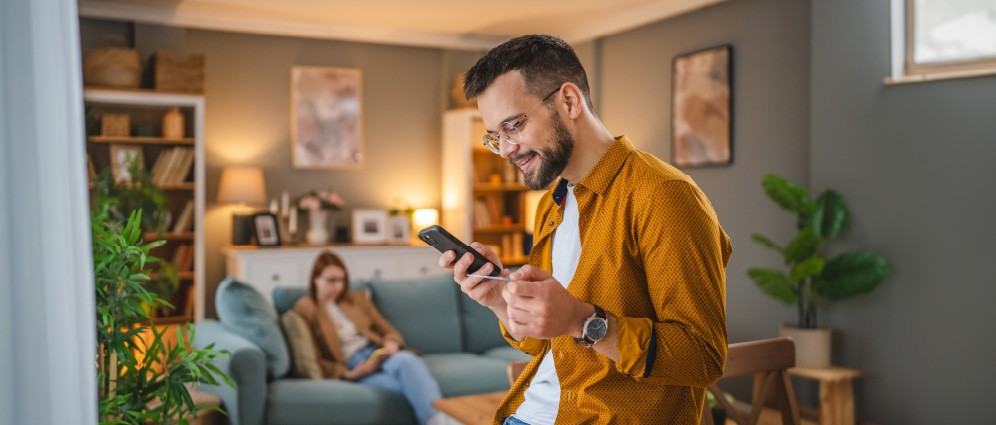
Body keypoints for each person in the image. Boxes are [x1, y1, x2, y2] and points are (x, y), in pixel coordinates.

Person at [437, 34, 733, 424]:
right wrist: (498, 299)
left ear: (570, 101)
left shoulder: (663, 196)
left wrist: (583, 322)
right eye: (496, 137)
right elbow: (544, 340)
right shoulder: (551, 204)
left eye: (514, 126)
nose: (507, 149)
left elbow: (703, 358)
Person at [293, 251, 444, 425]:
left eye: (342, 280)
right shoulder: (306, 309)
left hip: (378, 352)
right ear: (316, 279)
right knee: (405, 387)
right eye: (332, 280)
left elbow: (385, 327)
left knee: (407, 361)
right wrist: (349, 374)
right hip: (355, 365)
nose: (339, 287)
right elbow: (315, 357)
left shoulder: (356, 299)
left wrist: (391, 342)